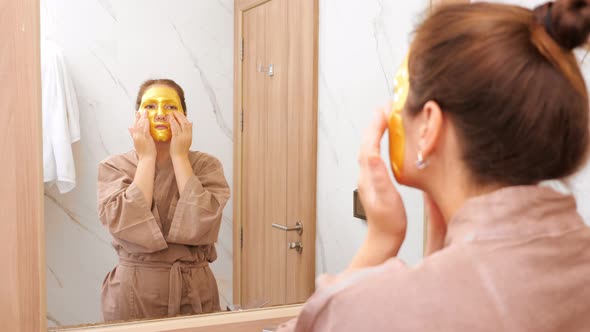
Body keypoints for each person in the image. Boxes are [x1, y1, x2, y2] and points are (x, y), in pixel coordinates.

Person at [278, 1, 590, 331]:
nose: (390, 110)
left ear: (429, 125)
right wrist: (439, 256)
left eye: (399, 95)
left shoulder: (374, 311)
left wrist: (380, 241)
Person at [97, 79, 230, 321]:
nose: (160, 114)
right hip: (132, 294)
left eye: (170, 107)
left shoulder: (206, 166)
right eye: (150, 107)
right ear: (137, 116)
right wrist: (146, 157)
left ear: (184, 117)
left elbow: (202, 223)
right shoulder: (114, 167)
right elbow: (125, 224)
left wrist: (179, 155)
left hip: (196, 294)